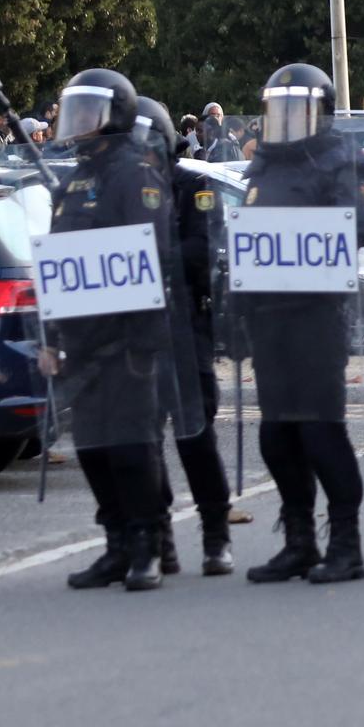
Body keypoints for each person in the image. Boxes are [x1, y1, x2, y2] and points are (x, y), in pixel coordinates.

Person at [231, 65, 364, 585]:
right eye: (280, 109)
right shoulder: (262, 166)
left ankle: (346, 543)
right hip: (269, 319)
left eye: (299, 109)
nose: (289, 119)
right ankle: (299, 541)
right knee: (278, 437)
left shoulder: (342, 158)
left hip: (317, 317)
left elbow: (361, 227)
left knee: (321, 433)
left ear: (322, 112)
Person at [46, 69, 182, 593]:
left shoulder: (134, 174)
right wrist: (52, 339)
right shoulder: (73, 181)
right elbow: (60, 261)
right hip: (81, 339)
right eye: (73, 111)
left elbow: (156, 254)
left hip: (128, 338)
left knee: (132, 447)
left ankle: (147, 545)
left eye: (88, 111)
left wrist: (145, 338)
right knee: (94, 447)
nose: (77, 122)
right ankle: (116, 544)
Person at [134, 97, 234, 576]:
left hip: (185, 329)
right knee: (143, 445)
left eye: (148, 145)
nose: (142, 156)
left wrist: (147, 253)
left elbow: (205, 248)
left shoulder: (195, 186)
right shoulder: (122, 191)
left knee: (196, 438)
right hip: (137, 334)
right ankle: (159, 539)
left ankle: (216, 536)